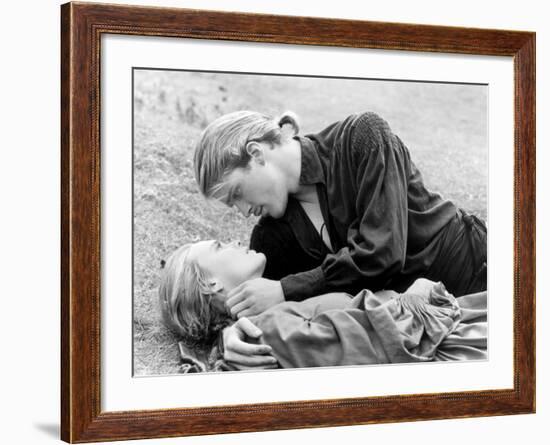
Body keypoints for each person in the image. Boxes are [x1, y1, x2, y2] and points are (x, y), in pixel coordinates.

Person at [193, 110, 487, 368]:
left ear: (256, 154)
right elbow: (263, 309)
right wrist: (230, 334)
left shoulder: (362, 138)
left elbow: (382, 254)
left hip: (479, 273)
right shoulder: (271, 237)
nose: (244, 212)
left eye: (237, 194)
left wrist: (286, 288)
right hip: (431, 332)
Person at [158, 239, 487, 370]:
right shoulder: (267, 332)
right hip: (451, 346)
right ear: (210, 285)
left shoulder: (274, 311)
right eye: (219, 246)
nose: (234, 241)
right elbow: (372, 348)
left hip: (451, 329)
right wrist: (418, 299)